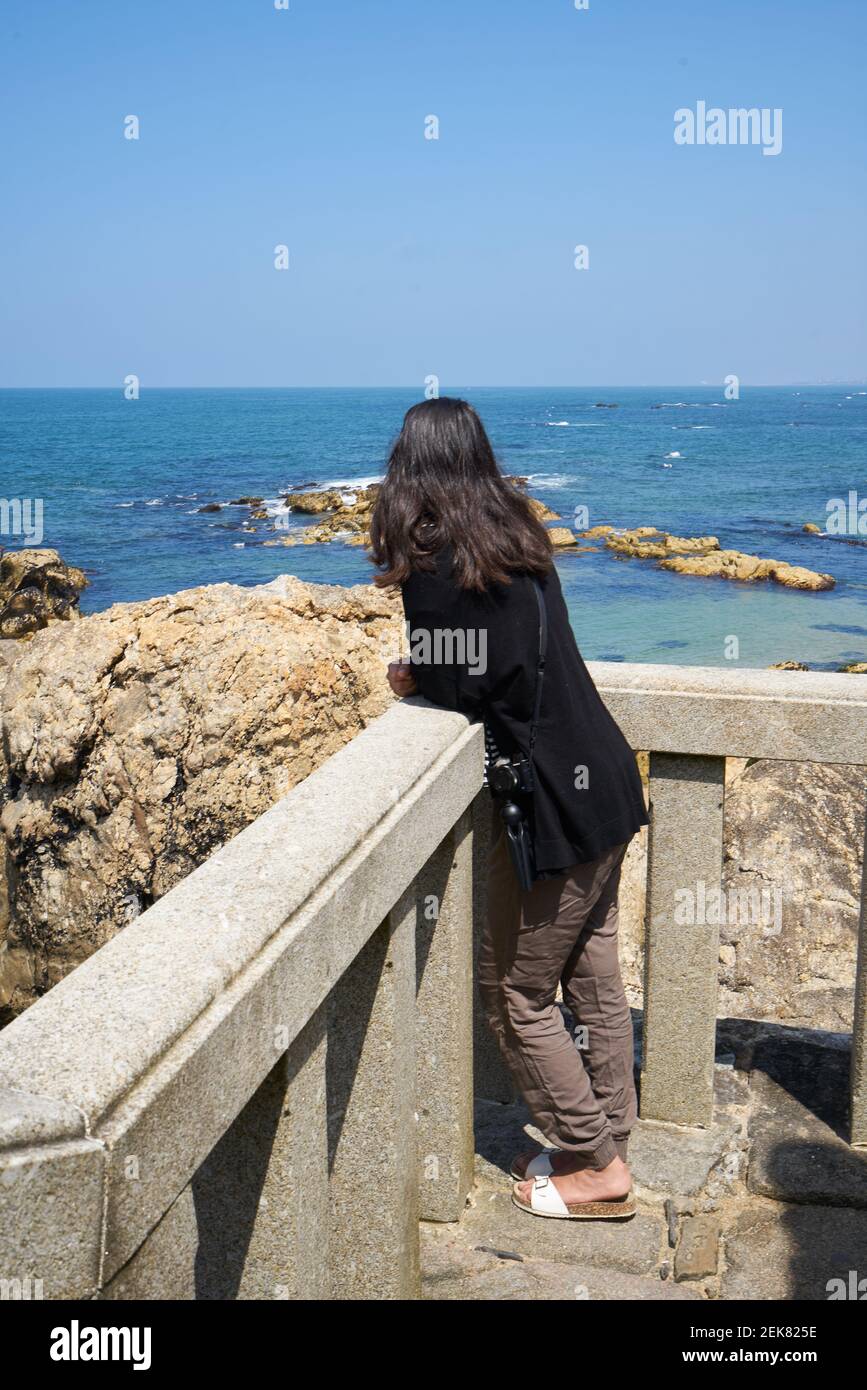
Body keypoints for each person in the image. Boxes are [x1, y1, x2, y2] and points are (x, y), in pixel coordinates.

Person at [371, 396, 649, 1221]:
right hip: (605, 773)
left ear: (409, 468)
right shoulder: (516, 536)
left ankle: (598, 1171)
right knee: (592, 970)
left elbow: (462, 681)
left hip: (554, 801)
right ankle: (605, 1133)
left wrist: (414, 675)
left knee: (517, 993)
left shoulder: (432, 560)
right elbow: (507, 659)